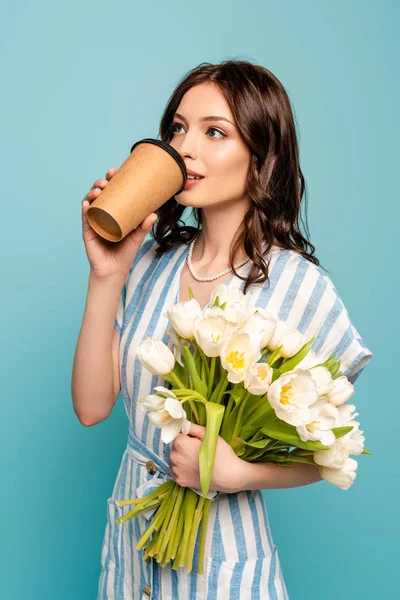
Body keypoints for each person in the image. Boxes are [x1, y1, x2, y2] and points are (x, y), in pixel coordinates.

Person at [71, 60, 373, 599]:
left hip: (222, 561)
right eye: (178, 128)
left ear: (261, 156)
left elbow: (328, 453)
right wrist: (107, 274)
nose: (186, 148)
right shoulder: (149, 262)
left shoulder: (299, 288)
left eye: (216, 132)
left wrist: (237, 473)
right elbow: (92, 408)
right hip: (129, 541)